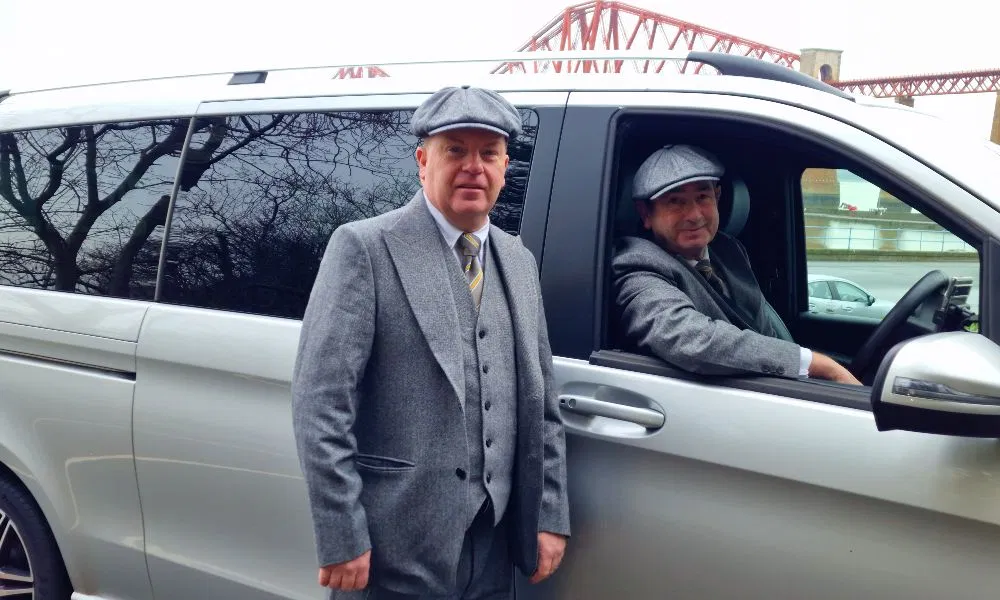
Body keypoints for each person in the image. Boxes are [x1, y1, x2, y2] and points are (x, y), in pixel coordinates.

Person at [291, 85, 571, 600]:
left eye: (488, 153)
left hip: (493, 543)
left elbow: (542, 404)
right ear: (423, 161)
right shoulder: (364, 247)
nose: (473, 167)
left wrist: (549, 514)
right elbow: (320, 405)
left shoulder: (518, 260)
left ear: (505, 166)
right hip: (393, 543)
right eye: (455, 151)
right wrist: (341, 535)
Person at [612, 144, 860, 385]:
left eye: (702, 196)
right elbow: (690, 340)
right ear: (645, 214)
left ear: (717, 197)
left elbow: (760, 327)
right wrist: (816, 365)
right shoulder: (636, 264)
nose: (695, 215)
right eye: (675, 202)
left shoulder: (728, 249)